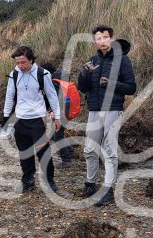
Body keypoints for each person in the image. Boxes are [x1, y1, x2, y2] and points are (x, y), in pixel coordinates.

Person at [77, 25, 137, 205]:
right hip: (94, 110)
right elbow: (83, 88)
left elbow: (131, 88)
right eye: (98, 38)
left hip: (113, 109)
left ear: (111, 38)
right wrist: (84, 74)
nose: (102, 41)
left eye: (105, 37)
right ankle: (90, 184)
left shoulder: (122, 60)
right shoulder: (93, 59)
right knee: (89, 149)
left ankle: (108, 189)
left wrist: (112, 83)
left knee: (109, 150)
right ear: (94, 41)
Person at [2, 46, 61, 193]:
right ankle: (28, 180)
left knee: (43, 151)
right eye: (18, 63)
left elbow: (52, 95)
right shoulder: (14, 74)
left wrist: (57, 117)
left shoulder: (43, 73)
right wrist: (5, 119)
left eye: (23, 62)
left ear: (31, 60)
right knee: (24, 152)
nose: (20, 66)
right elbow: (9, 96)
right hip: (20, 119)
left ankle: (50, 179)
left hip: (38, 119)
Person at [40, 62, 74, 167]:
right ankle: (69, 150)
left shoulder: (54, 83)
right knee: (55, 135)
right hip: (66, 110)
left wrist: (54, 112)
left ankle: (66, 160)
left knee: (58, 136)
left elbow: (55, 100)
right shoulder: (61, 81)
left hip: (61, 112)